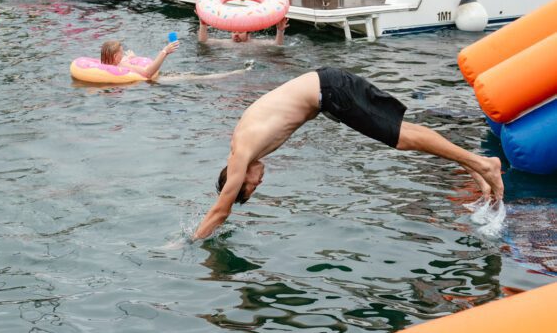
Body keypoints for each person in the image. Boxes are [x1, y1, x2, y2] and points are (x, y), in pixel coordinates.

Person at [193, 68, 504, 239]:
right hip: (328, 91)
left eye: (250, 187)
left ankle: (482, 164)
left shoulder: (240, 156)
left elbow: (221, 211)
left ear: (236, 177)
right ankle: (473, 166)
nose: (257, 184)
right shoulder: (243, 144)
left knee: (402, 137)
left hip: (331, 91)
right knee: (402, 134)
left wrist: (188, 243)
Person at [198, 17, 288, 45]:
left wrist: (280, 31)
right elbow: (203, 41)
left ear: (249, 34)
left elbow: (277, 45)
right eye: (233, 32)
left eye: (240, 32)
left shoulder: (256, 44)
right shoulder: (226, 43)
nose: (236, 34)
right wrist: (203, 24)